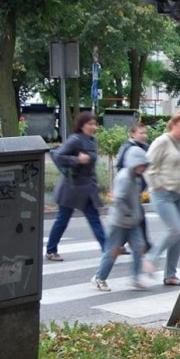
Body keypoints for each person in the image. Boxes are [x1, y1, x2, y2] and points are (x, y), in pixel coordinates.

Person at [46, 111, 106, 262]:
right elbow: (57, 155)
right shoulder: (75, 140)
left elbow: (91, 166)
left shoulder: (93, 141)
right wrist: (77, 160)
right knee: (62, 220)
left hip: (87, 189)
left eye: (95, 124)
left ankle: (107, 250)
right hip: (71, 188)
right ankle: (51, 250)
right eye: (90, 124)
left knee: (95, 219)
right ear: (81, 126)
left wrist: (96, 181)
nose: (93, 127)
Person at [91, 146, 152, 291]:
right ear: (133, 163)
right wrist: (130, 213)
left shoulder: (136, 178)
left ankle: (135, 278)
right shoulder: (125, 178)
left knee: (138, 248)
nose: (143, 168)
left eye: (144, 165)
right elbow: (118, 199)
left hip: (132, 222)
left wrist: (135, 215)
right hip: (119, 222)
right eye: (141, 165)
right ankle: (99, 277)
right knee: (113, 251)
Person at [143, 111, 180, 286]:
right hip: (163, 194)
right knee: (175, 230)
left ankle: (170, 275)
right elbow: (148, 165)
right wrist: (156, 183)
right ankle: (150, 258)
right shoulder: (162, 141)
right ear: (174, 123)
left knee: (179, 234)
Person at [115, 122, 152, 253]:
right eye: (141, 133)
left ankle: (118, 244)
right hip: (128, 190)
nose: (144, 136)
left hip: (137, 189)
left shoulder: (145, 147)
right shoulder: (127, 147)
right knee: (138, 217)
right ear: (133, 134)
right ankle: (145, 245)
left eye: (145, 133)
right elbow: (120, 165)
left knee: (134, 218)